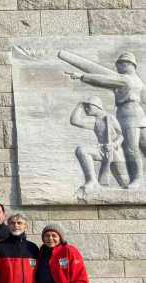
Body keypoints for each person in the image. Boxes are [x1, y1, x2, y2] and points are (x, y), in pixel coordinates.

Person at [62, 50, 146, 188]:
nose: (117, 67)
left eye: (120, 64)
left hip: (129, 115)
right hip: (136, 114)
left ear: (130, 64)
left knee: (131, 149)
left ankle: (137, 179)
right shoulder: (138, 81)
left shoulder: (127, 79)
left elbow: (104, 80)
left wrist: (83, 76)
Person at [70, 97, 129, 190]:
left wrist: (114, 145)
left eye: (88, 107)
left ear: (96, 106)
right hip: (102, 150)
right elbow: (74, 121)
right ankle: (92, 180)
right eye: (85, 107)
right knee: (82, 150)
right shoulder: (95, 121)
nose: (86, 109)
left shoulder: (110, 118)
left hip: (115, 152)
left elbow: (121, 135)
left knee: (125, 182)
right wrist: (79, 106)